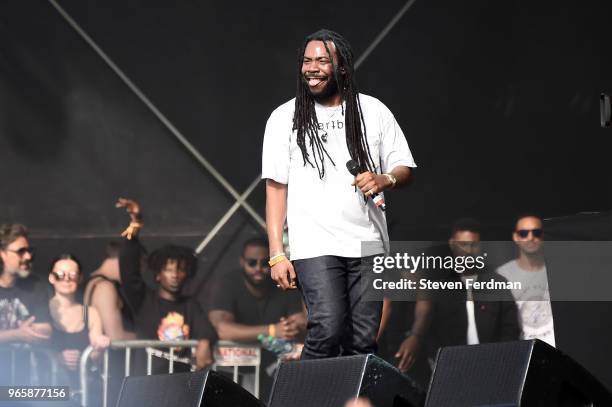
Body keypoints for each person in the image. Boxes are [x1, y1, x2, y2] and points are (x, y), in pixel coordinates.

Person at [262, 29, 416, 360]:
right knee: (327, 326)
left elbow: (405, 168)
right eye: (306, 60)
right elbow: (276, 188)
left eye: (321, 60)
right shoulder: (283, 117)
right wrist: (277, 253)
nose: (311, 68)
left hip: (368, 243)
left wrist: (384, 178)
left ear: (342, 66)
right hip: (314, 244)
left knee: (363, 340)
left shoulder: (372, 111)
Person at [116, 198, 215, 372]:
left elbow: (206, 328)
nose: (175, 275)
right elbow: (128, 268)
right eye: (169, 270)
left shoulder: (189, 305)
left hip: (179, 384)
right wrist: (136, 225)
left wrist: (205, 342)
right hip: (147, 383)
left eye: (181, 270)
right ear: (158, 274)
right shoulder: (144, 300)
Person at [208, 237, 305, 398]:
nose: (258, 268)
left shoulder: (283, 283)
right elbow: (223, 330)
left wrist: (293, 327)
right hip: (232, 371)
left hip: (273, 370)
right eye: (252, 262)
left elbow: (300, 320)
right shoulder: (227, 283)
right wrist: (273, 330)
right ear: (241, 261)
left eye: (265, 263)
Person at [428, 219, 519, 350]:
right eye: (463, 245)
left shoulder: (497, 283)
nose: (468, 251)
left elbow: (510, 329)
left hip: (494, 360)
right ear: (452, 244)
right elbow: (429, 332)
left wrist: (499, 357)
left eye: (474, 245)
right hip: (452, 363)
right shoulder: (438, 286)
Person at [48, 254, 110, 391]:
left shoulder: (91, 313)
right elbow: (33, 346)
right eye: (60, 274)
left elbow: (95, 356)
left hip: (85, 388)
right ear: (51, 278)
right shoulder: (42, 310)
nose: (66, 279)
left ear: (80, 278)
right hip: (50, 389)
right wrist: (56, 358)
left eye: (73, 274)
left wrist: (100, 347)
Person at [0, 223, 52, 384]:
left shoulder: (36, 285)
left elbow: (46, 328)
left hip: (27, 384)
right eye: (20, 252)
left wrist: (39, 330)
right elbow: (24, 333)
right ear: (2, 254)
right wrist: (17, 334)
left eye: (29, 251)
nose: (28, 257)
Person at [496, 214, 555, 346]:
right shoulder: (502, 276)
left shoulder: (558, 270)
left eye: (537, 232)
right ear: (515, 237)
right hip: (522, 352)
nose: (530, 237)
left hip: (557, 351)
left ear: (544, 236)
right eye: (523, 233)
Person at [83, 242, 135, 341]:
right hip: (111, 355)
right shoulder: (104, 287)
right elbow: (115, 337)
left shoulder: (92, 283)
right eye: (136, 265)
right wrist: (150, 337)